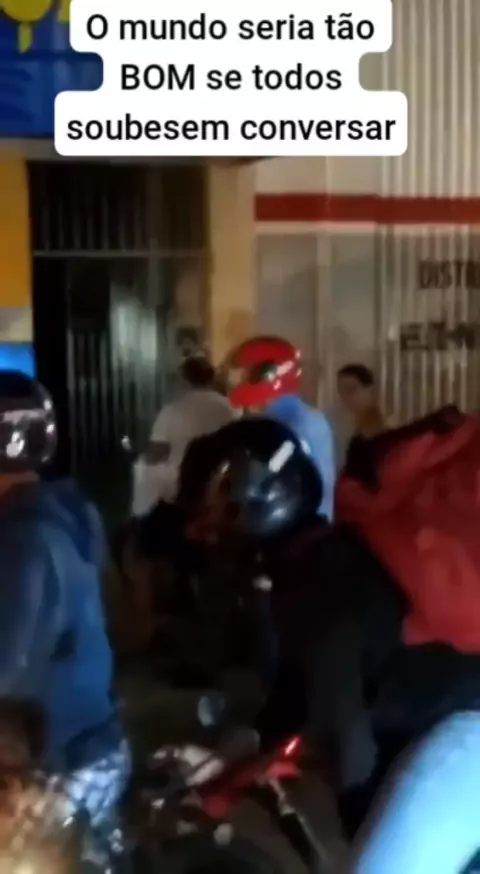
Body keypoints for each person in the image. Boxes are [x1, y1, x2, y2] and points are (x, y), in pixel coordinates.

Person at [180, 415, 480, 874]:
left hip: (463, 733)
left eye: (215, 513)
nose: (208, 532)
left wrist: (362, 832)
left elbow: (348, 748)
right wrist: (235, 755)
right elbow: (297, 693)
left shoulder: (318, 586)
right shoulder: (326, 559)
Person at [0, 371, 129, 845]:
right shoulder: (69, 510)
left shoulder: (24, 541)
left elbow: (8, 671)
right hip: (94, 737)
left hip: (59, 761)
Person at [224, 336, 336, 520]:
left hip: (296, 531)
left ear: (266, 375)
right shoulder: (301, 417)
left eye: (242, 375)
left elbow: (263, 485)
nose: (235, 384)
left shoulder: (289, 423)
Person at [132, 353, 236, 517]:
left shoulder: (172, 409)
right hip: (218, 480)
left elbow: (156, 452)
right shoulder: (229, 408)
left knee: (143, 469)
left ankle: (141, 519)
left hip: (182, 482)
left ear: (184, 381)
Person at [337, 364, 390, 463]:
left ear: (370, 390)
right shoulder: (351, 425)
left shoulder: (374, 428)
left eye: (351, 390)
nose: (345, 397)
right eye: (341, 391)